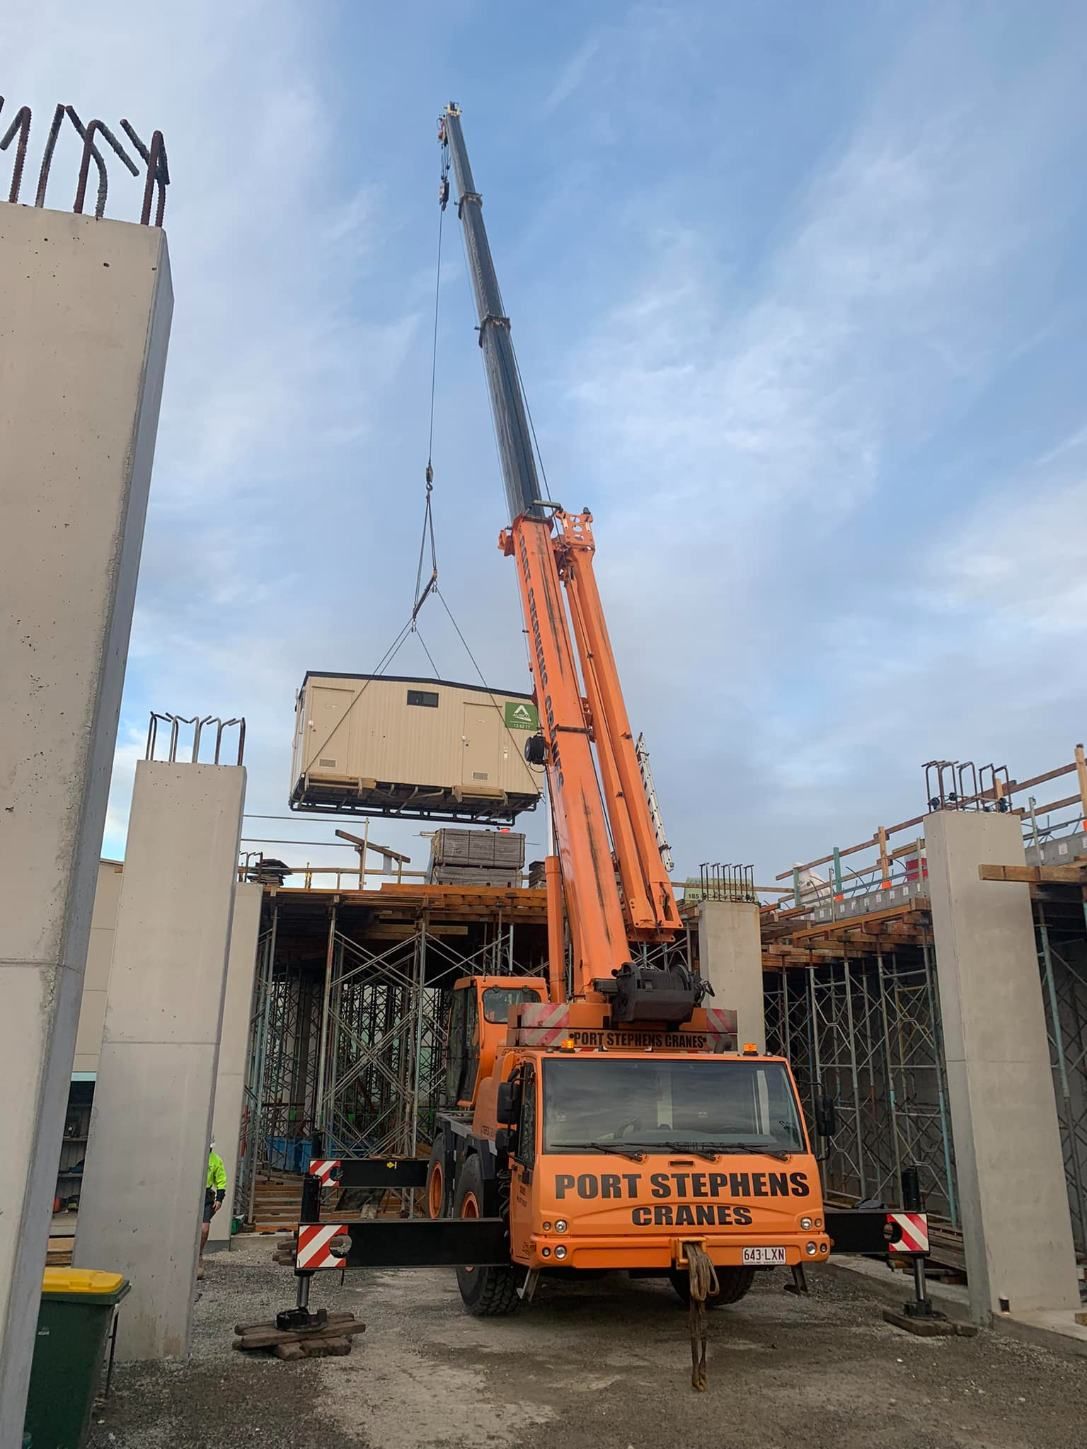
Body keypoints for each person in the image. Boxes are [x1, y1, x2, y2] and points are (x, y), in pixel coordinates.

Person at [198, 1140, 227, 1280]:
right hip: (190, 1193)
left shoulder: (215, 1160)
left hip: (206, 1195)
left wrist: (219, 1198)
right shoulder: (194, 1156)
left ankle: (198, 1255)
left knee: (204, 1229)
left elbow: (221, 1180)